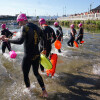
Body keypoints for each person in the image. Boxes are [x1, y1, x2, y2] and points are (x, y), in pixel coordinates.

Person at [3, 14, 48, 97]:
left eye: (19, 22)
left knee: (25, 74)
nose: (19, 24)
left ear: (23, 20)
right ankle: (44, 91)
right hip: (37, 54)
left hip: (28, 55)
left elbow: (20, 41)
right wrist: (44, 49)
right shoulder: (38, 27)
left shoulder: (25, 27)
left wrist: (7, 39)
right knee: (36, 73)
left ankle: (28, 91)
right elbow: (44, 38)